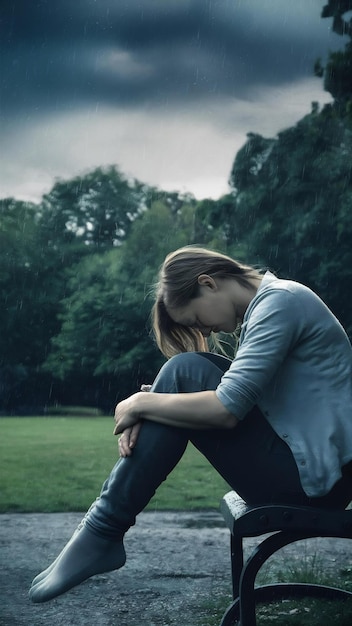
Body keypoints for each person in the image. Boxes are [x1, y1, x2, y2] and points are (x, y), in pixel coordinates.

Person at [29, 245, 352, 604]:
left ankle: (101, 531)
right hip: (306, 472)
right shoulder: (276, 303)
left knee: (183, 371)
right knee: (182, 373)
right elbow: (250, 397)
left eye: (196, 320)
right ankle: (100, 533)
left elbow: (227, 408)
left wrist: (142, 403)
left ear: (208, 283)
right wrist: (158, 404)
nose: (204, 329)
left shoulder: (281, 302)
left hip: (315, 483)